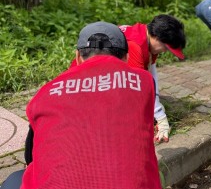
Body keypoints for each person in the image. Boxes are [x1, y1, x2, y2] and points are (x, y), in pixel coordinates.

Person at [1, 22, 162, 189]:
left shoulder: (45, 92)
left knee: (14, 179)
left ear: (78, 57)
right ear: (127, 58)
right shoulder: (144, 82)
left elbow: (30, 156)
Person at [119, 14, 186, 143]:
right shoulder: (135, 45)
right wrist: (160, 117)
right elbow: (140, 87)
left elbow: (151, 75)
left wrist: (157, 109)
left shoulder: (147, 38)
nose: (165, 52)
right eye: (166, 48)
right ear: (157, 37)